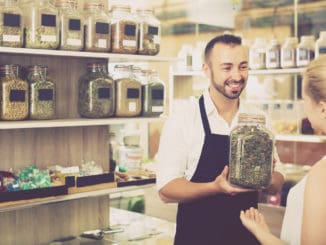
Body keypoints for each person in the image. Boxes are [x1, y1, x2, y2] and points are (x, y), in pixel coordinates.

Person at [156, 34, 285, 244]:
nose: (237, 75)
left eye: (243, 67)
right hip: (197, 237)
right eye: (227, 67)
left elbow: (278, 178)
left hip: (246, 237)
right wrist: (214, 187)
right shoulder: (184, 118)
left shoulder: (259, 120)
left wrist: (266, 179)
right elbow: (166, 190)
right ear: (207, 70)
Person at [240, 55, 326, 245]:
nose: (304, 109)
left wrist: (262, 234)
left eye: (305, 100)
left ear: (322, 108)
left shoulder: (322, 173)